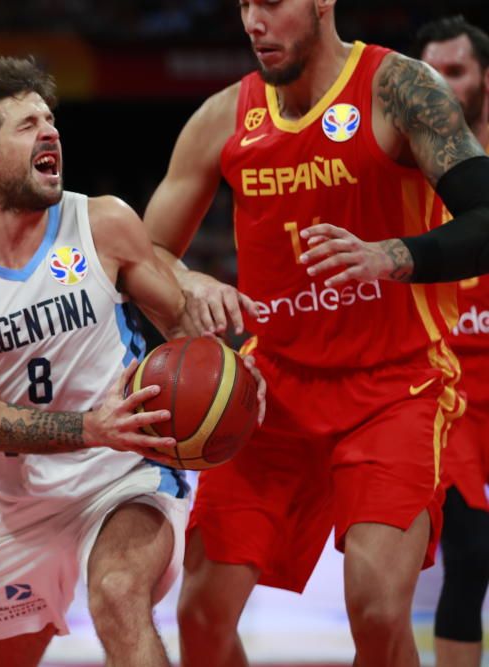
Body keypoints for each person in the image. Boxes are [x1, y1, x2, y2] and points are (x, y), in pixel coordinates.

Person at [142, 1, 484, 665]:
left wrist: (396, 255)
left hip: (395, 383)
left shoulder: (400, 88)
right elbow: (146, 249)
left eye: (271, 2)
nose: (253, 22)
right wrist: (190, 281)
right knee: (202, 616)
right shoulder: (222, 117)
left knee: (379, 609)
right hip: (273, 392)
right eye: (244, 5)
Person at [0, 56, 265, 667]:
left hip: (125, 474)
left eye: (50, 120)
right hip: (20, 505)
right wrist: (88, 425)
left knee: (119, 595)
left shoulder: (103, 221)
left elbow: (180, 323)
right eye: (25, 125)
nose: (50, 132)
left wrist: (234, 367)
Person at [416, 16, 489, 667]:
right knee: (471, 556)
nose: (441, 88)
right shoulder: (402, 168)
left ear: (486, 79)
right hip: (452, 399)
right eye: (429, 76)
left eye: (456, 73)